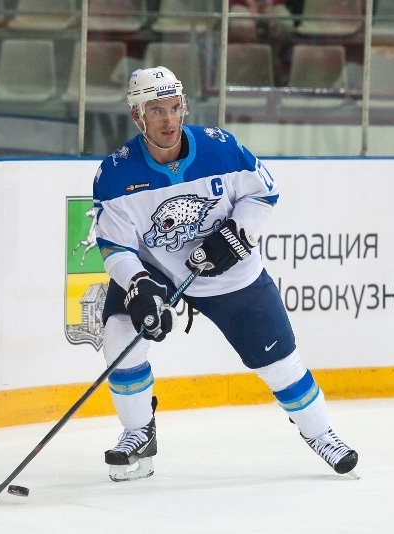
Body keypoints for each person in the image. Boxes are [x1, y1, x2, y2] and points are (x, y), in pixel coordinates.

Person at [92, 66, 359, 482]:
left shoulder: (221, 148)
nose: (168, 120)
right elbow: (115, 246)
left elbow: (265, 192)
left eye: (174, 108)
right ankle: (138, 432)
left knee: (279, 363)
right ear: (137, 116)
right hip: (158, 269)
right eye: (156, 110)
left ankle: (321, 434)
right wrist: (139, 284)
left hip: (231, 273)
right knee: (120, 336)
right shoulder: (115, 173)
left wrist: (236, 234)